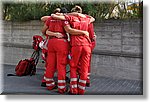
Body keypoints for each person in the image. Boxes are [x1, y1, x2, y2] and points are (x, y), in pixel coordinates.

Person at [41, 7, 89, 94]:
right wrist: (83, 32)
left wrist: (52, 34)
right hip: (62, 43)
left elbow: (43, 31)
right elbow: (68, 30)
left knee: (50, 64)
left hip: (51, 43)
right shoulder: (65, 20)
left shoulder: (51, 18)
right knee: (61, 65)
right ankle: (62, 87)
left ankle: (49, 84)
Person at [51, 5, 95, 95]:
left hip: (76, 45)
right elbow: (92, 21)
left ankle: (74, 90)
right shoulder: (86, 18)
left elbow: (54, 16)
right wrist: (84, 32)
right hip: (87, 46)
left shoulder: (69, 17)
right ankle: (81, 90)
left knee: (73, 66)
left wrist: (68, 14)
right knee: (84, 68)